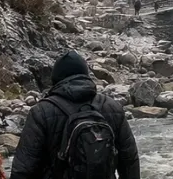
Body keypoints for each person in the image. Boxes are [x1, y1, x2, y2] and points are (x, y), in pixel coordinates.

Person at [12, 51, 140, 179]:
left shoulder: (41, 112)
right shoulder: (112, 107)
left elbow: (24, 168)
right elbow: (130, 161)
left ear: (56, 79)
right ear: (86, 75)